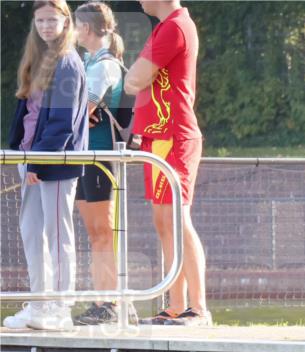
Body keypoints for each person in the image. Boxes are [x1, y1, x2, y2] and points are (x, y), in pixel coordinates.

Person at [4, 0, 88, 331]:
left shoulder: (68, 62)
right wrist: (22, 155)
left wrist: (38, 162)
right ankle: (40, 303)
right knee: (31, 233)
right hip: (31, 161)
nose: (45, 26)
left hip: (54, 164)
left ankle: (61, 309)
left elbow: (61, 123)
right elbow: (29, 113)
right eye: (40, 20)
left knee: (57, 234)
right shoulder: (39, 59)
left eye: (52, 20)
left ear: (66, 21)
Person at [125, 0, 210, 325]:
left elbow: (136, 77)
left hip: (174, 135)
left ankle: (198, 308)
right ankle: (176, 305)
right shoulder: (165, 26)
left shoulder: (174, 26)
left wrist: (138, 76)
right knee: (164, 222)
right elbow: (136, 78)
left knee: (177, 219)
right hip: (159, 137)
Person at [73, 1, 135, 326]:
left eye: (74, 25)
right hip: (85, 156)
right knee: (94, 232)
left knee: (102, 233)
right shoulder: (87, 62)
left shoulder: (104, 66)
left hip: (101, 158)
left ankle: (110, 303)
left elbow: (82, 109)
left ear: (85, 28)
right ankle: (104, 300)